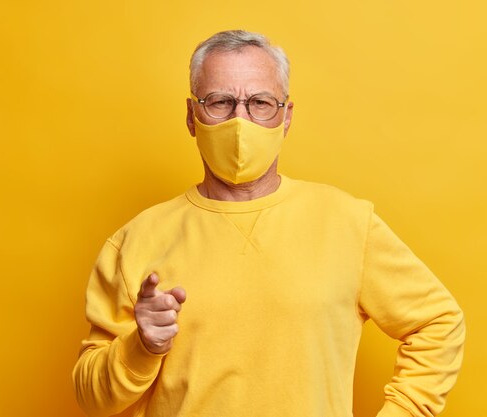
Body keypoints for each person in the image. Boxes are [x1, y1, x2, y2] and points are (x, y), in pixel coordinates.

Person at [72, 30, 465, 417]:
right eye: (220, 102)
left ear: (286, 116)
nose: (239, 121)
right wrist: (141, 346)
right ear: (192, 116)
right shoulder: (137, 240)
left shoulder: (347, 222)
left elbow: (438, 323)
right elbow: (90, 397)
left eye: (260, 102)